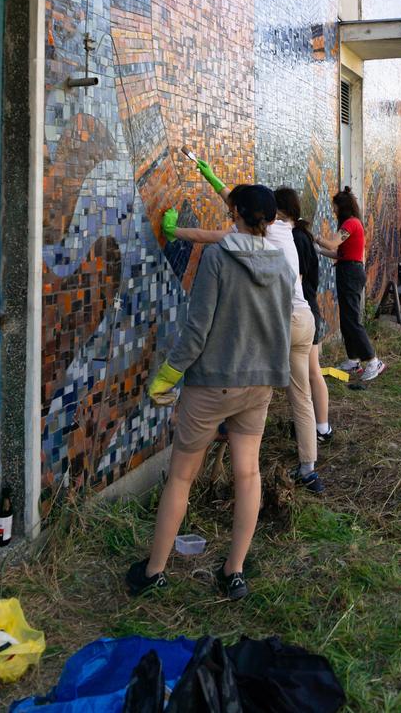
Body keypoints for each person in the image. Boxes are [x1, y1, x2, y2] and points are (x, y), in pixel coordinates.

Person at [126, 185, 294, 601]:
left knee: (182, 476)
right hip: (259, 385)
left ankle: (154, 571)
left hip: (212, 384)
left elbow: (196, 330)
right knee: (248, 474)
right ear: (270, 220)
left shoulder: (218, 258)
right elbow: (282, 325)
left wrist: (167, 376)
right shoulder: (281, 264)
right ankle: (234, 572)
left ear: (235, 213)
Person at [162, 160, 323, 493]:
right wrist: (212, 178)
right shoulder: (283, 230)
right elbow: (238, 203)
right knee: (301, 395)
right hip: (304, 319)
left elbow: (208, 236)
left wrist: (174, 232)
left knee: (239, 372)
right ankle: (309, 466)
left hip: (282, 321)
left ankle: (225, 431)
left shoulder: (245, 240)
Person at [275, 187, 332, 445]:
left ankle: (320, 428)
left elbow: (296, 277)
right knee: (312, 372)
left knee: (311, 373)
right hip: (309, 309)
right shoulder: (301, 234)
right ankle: (321, 427)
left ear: (280, 210)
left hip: (303, 310)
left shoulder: (294, 237)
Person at [315, 187, 385, 383]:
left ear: (342, 206)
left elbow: (332, 244)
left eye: (335, 207)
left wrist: (316, 238)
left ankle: (373, 360)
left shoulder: (351, 223)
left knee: (352, 320)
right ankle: (353, 360)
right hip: (347, 270)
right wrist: (318, 250)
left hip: (351, 273)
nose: (333, 210)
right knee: (346, 319)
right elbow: (339, 253)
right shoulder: (351, 224)